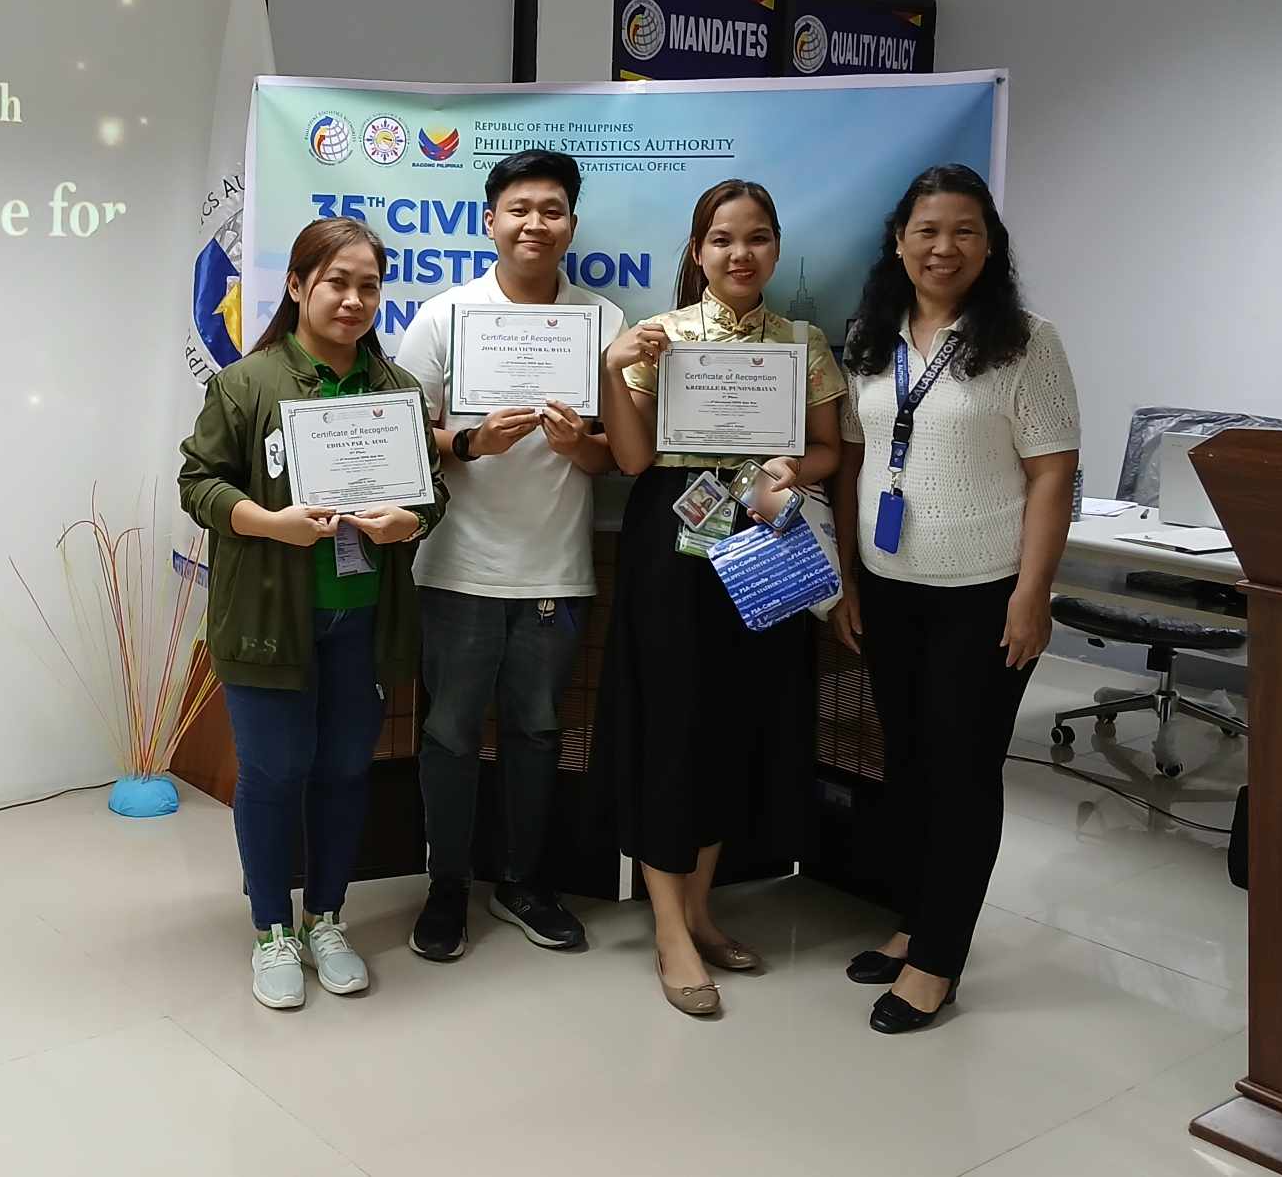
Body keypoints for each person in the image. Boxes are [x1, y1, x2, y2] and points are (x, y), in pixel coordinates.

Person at [830, 164, 1078, 1033]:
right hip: (892, 589)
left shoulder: (1025, 341)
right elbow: (856, 457)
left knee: (964, 774)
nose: (944, 248)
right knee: (908, 767)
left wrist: (1033, 594)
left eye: (966, 231)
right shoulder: (871, 333)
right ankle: (914, 923)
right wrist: (850, 579)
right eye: (927, 230)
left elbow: (1053, 473)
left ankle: (938, 963)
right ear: (899, 241)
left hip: (985, 595)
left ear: (990, 245)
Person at [179, 217, 447, 1011]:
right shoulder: (246, 384)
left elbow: (430, 492)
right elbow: (198, 484)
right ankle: (272, 929)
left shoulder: (396, 390)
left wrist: (415, 521)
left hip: (362, 620)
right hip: (270, 618)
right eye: (337, 281)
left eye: (369, 285)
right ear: (298, 286)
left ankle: (327, 917)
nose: (354, 299)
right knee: (271, 774)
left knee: (340, 773)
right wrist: (269, 523)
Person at [593, 179, 844, 1017]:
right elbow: (628, 460)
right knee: (671, 728)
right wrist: (613, 369)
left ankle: (701, 910)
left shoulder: (802, 343)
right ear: (696, 251)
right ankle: (667, 928)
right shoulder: (661, 340)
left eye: (758, 238)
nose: (741, 254)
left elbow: (828, 450)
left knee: (737, 723)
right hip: (672, 544)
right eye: (723, 239)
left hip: (759, 535)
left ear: (776, 250)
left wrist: (790, 469)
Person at [393, 150, 626, 961]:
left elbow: (619, 459)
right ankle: (447, 888)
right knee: (451, 734)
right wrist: (467, 440)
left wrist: (580, 446)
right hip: (458, 568)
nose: (536, 223)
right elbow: (399, 432)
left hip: (556, 569)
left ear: (571, 223)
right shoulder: (443, 315)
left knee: (537, 731)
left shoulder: (605, 321)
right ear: (490, 220)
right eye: (519, 208)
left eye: (553, 209)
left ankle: (525, 883)